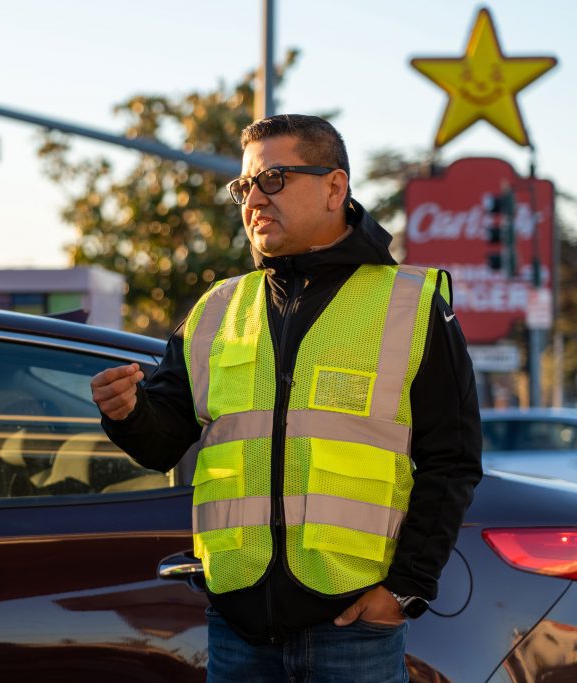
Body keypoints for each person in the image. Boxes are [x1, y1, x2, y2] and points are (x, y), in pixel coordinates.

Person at [91, 114, 481, 682]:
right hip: (238, 622)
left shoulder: (412, 303)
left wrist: (404, 589)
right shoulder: (218, 308)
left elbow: (453, 461)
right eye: (244, 186)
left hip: (353, 626)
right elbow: (164, 441)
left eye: (273, 179)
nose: (254, 199)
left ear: (334, 188)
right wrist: (127, 413)